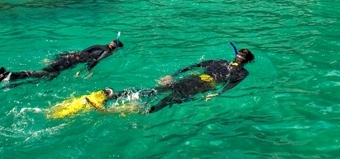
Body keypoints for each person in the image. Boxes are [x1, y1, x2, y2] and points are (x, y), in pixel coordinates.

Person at [0, 35, 123, 105]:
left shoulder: (98, 44)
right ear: (115, 49)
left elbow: (82, 51)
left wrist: (57, 57)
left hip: (67, 58)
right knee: (45, 76)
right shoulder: (108, 52)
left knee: (46, 75)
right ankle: (10, 76)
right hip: (68, 64)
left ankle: (9, 81)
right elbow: (96, 60)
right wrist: (87, 71)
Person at [101, 44, 254, 114]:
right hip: (197, 83)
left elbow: (193, 66)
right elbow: (229, 85)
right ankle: (128, 102)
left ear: (241, 58)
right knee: (162, 95)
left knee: (162, 95)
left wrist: (172, 75)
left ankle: (123, 101)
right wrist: (172, 75)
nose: (240, 57)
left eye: (241, 56)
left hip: (197, 82)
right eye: (241, 55)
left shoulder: (231, 66)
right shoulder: (231, 67)